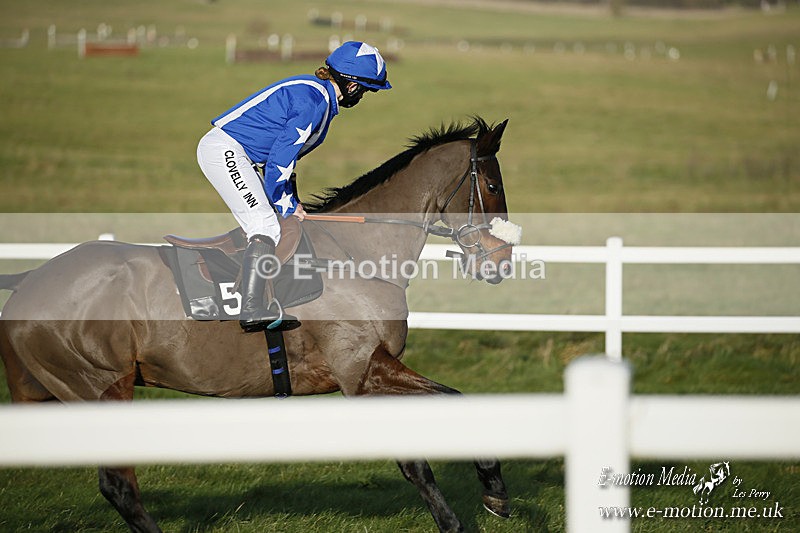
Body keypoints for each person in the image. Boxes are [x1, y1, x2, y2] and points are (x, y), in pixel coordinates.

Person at [197, 41, 391, 333]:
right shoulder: (312, 103)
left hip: (239, 155)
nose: (364, 96)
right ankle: (251, 308)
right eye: (366, 89)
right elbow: (278, 162)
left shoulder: (317, 94)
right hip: (227, 152)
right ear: (352, 86)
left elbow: (284, 161)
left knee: (276, 220)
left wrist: (291, 200)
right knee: (265, 225)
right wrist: (287, 203)